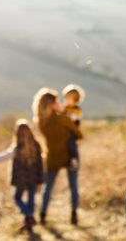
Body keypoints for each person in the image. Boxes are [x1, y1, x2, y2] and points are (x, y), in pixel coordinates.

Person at [33, 88, 83, 226]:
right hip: (70, 155)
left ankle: (42, 215)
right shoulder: (63, 119)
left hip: (53, 156)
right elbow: (79, 134)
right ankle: (74, 215)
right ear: (53, 103)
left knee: (47, 188)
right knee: (73, 186)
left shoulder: (41, 122)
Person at [0, 119, 44, 233]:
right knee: (31, 200)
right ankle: (29, 219)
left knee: (17, 198)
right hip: (33, 178)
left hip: (21, 180)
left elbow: (3, 157)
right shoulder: (36, 145)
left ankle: (28, 217)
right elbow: (40, 164)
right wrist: (40, 179)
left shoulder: (16, 148)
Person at [61, 84, 85, 171]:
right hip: (64, 131)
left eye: (69, 99)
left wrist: (67, 115)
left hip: (73, 131)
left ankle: (73, 159)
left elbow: (75, 119)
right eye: (66, 98)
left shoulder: (77, 109)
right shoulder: (65, 107)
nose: (66, 101)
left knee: (71, 143)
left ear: (75, 100)